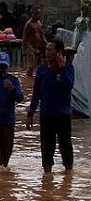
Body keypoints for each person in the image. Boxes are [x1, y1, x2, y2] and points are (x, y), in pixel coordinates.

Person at [26, 39, 75, 173]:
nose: (47, 53)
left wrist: (62, 68)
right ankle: (47, 177)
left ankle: (68, 175)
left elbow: (68, 86)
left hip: (63, 114)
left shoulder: (69, 69)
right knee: (47, 147)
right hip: (46, 115)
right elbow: (36, 94)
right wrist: (30, 114)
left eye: (50, 50)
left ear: (58, 52)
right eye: (46, 50)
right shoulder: (42, 71)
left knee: (65, 145)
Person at [23, 7, 46, 76]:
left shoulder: (39, 23)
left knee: (36, 65)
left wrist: (46, 43)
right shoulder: (28, 24)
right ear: (32, 14)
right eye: (36, 14)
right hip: (30, 47)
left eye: (39, 14)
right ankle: (27, 81)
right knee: (31, 67)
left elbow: (42, 34)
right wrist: (24, 50)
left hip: (38, 47)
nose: (38, 15)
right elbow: (25, 38)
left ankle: (31, 80)